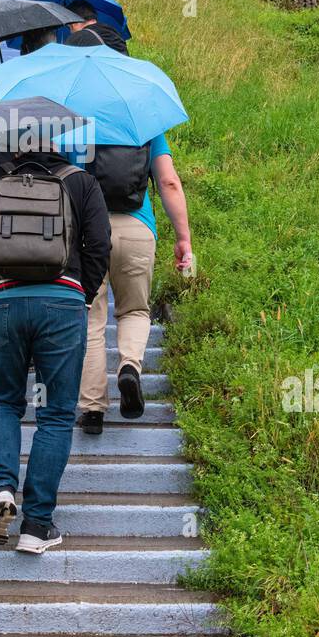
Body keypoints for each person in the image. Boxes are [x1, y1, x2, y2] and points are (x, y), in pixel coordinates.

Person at [0, 145, 111, 553]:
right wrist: (81, 295)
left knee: (3, 401)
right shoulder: (82, 181)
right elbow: (99, 247)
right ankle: (37, 525)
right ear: (59, 139)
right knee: (56, 412)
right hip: (61, 301)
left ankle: (2, 488)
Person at [76, 135, 193, 436]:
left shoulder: (74, 120)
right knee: (135, 311)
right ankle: (129, 368)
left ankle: (92, 409)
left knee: (91, 317)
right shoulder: (145, 125)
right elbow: (168, 182)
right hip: (138, 231)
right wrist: (183, 239)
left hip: (88, 230)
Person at [64, 0, 129, 55]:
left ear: (75, 22)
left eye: (69, 27)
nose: (71, 32)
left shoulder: (79, 37)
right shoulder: (113, 32)